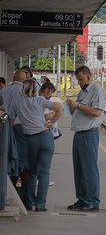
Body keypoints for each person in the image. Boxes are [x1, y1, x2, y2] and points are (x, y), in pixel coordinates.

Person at [8, 79, 63, 211]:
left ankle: (30, 203)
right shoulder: (40, 100)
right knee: (44, 173)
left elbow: (11, 119)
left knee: (32, 172)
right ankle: (41, 205)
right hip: (46, 137)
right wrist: (51, 122)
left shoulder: (17, 102)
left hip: (31, 139)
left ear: (23, 89)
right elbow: (60, 108)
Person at [66, 66, 105, 212]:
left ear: (89, 77)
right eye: (78, 80)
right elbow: (77, 109)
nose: (79, 83)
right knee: (79, 169)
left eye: (81, 80)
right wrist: (72, 106)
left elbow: (96, 112)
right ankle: (82, 199)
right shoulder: (83, 91)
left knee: (89, 169)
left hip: (89, 133)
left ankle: (92, 201)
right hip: (79, 133)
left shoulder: (97, 90)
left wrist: (79, 106)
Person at [0, 68, 30, 185]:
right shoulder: (24, 91)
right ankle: (19, 178)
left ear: (13, 78)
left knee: (10, 152)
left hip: (7, 125)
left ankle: (11, 176)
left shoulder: (4, 90)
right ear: (25, 80)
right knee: (21, 155)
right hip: (21, 126)